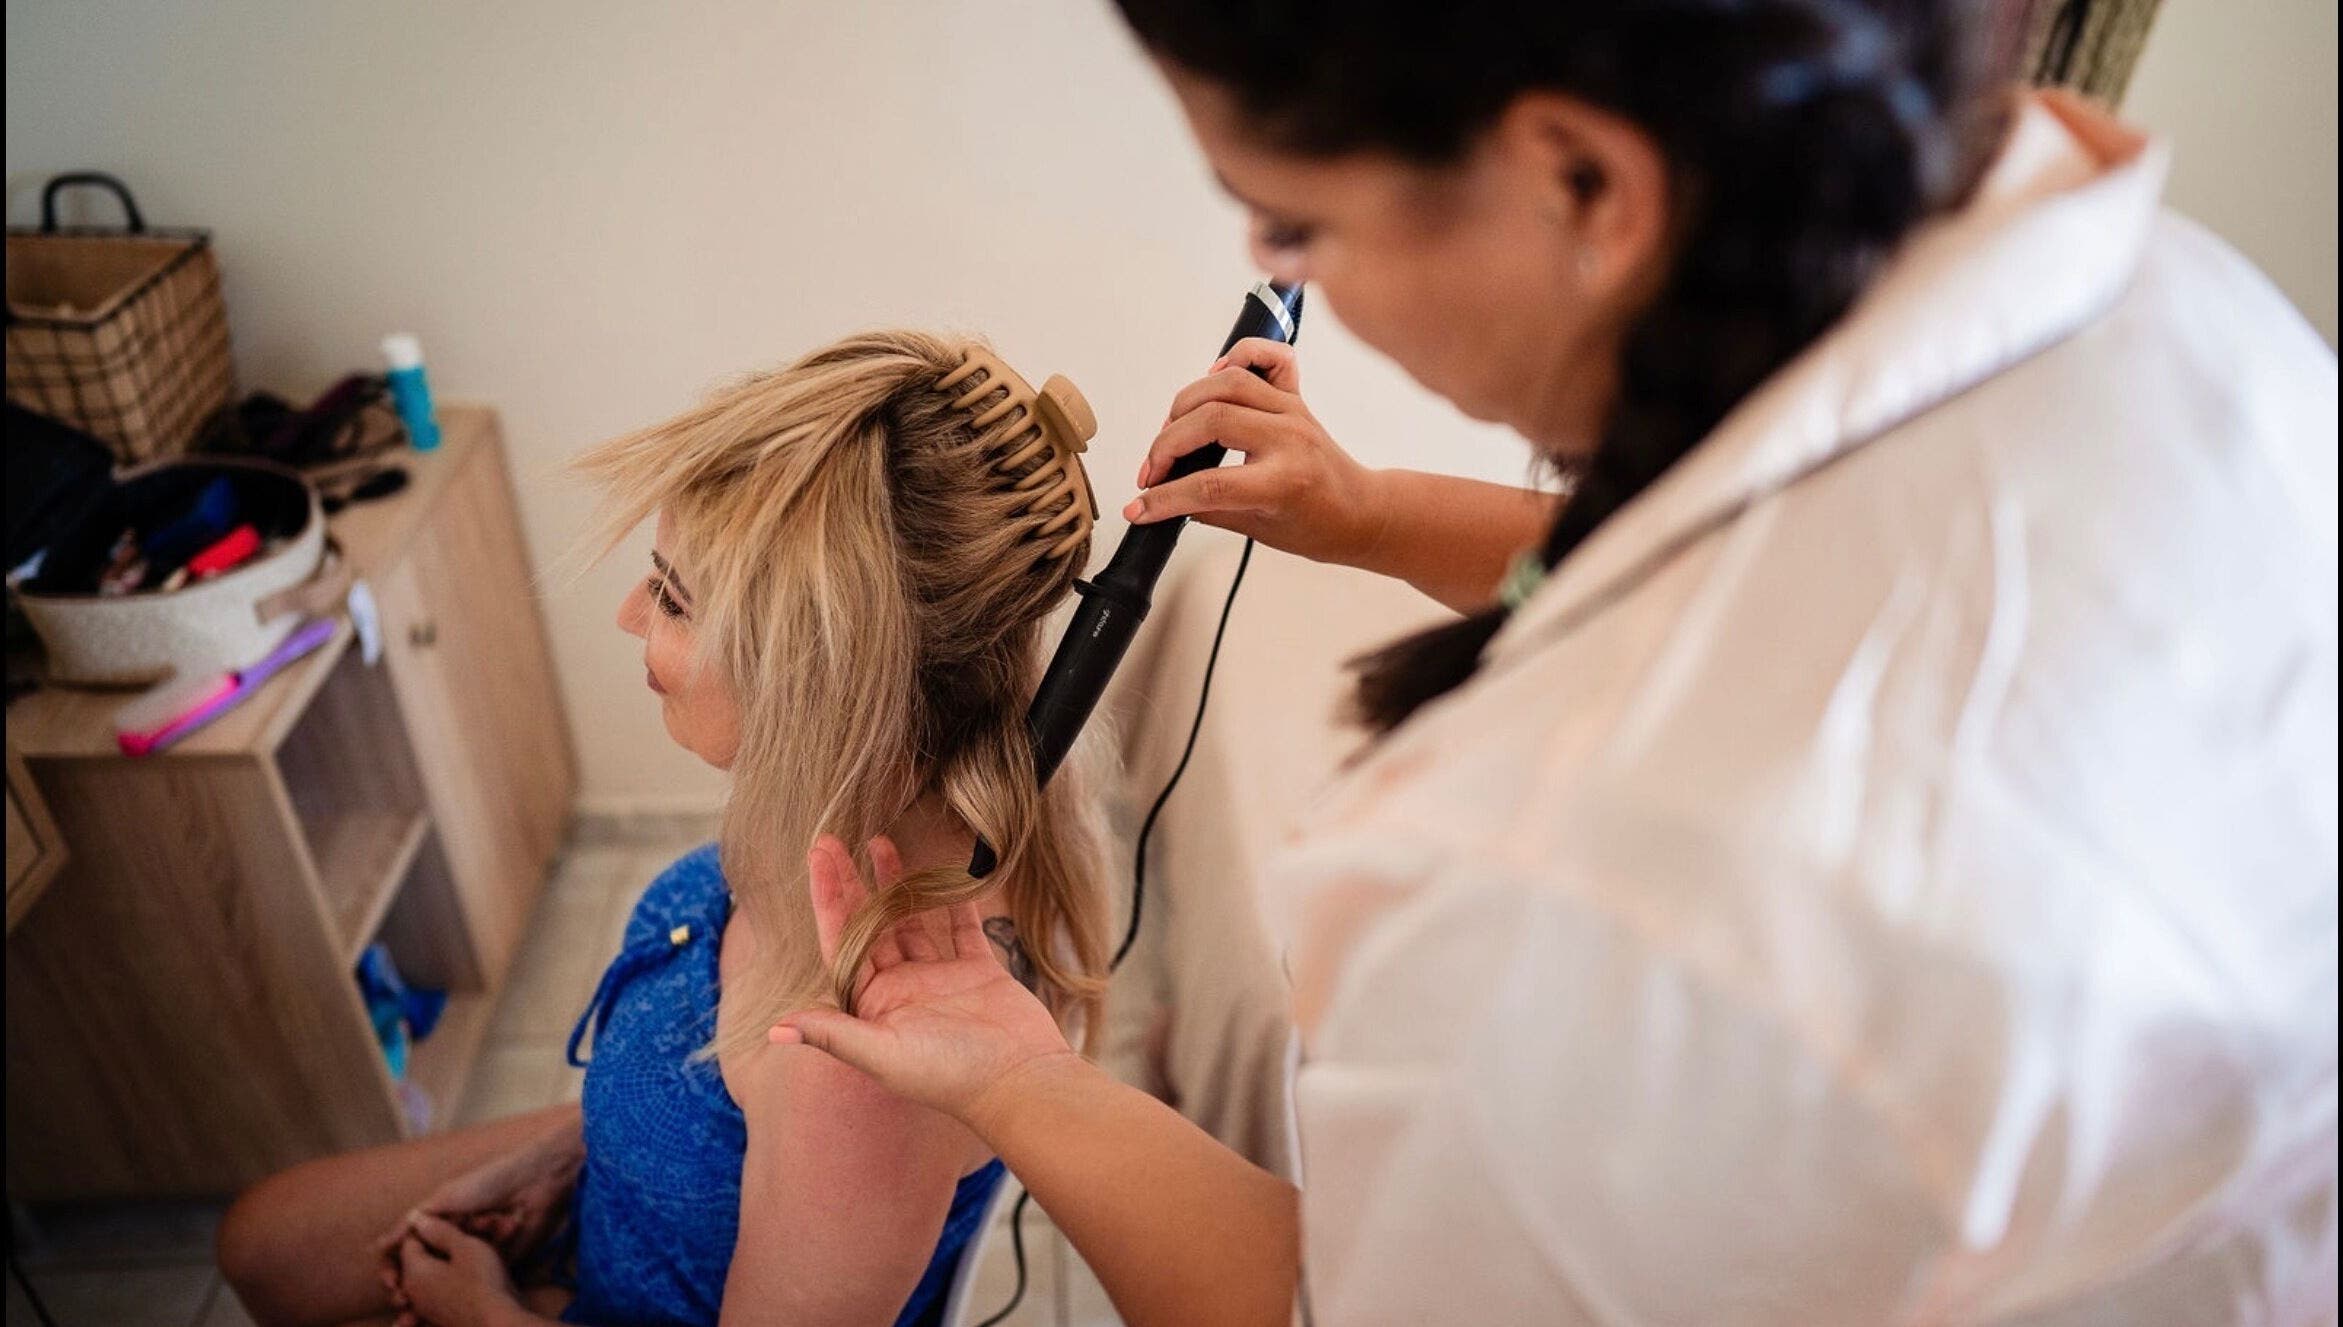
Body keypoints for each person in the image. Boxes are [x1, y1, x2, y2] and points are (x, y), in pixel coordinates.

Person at [765, 3, 2340, 1324]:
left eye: (1297, 218)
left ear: (1583, 178)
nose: (1264, 254)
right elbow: (1745, 537)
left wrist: (1021, 1080)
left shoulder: (1570, 883)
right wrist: (1369, 511)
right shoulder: (2160, 296)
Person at [215, 330, 1115, 1327]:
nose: (632, 617)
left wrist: (481, 1313)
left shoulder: (863, 1062)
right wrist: (577, 1144)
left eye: (676, 598)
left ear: (823, 682)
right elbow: (728, 1108)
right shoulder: (860, 811)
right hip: (622, 1193)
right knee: (263, 1238)